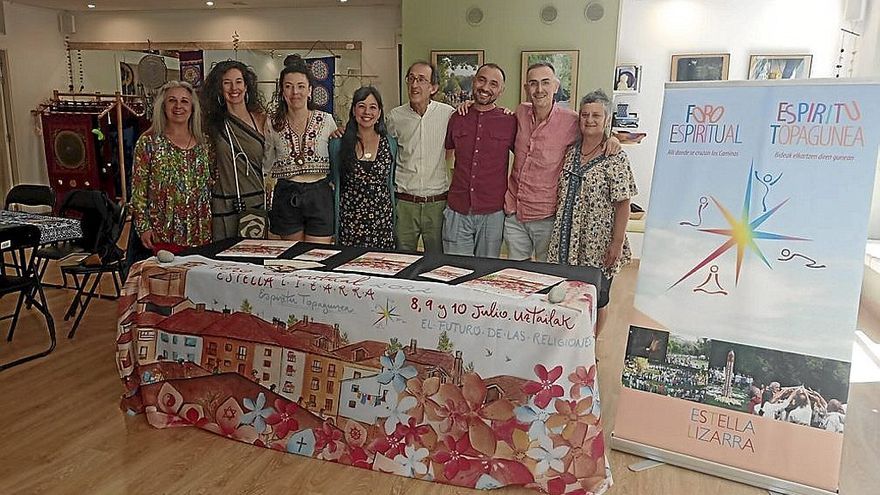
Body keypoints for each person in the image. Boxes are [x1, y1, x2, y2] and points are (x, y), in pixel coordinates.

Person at [504, 63, 621, 262]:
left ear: (556, 87)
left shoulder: (571, 121)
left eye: (545, 83)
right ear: (526, 89)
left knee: (547, 276)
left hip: (547, 217)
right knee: (516, 274)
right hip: (514, 212)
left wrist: (613, 137)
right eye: (533, 84)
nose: (539, 89)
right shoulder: (520, 112)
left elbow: (593, 128)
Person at [547, 89, 637, 335]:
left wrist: (616, 243)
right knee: (565, 292)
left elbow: (623, 203)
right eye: (585, 114)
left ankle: (590, 347)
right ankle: (567, 342)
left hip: (598, 241)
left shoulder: (615, 157)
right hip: (565, 238)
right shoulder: (570, 152)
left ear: (606, 119)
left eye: (596, 115)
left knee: (598, 297)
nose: (589, 120)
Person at [442, 63, 516, 258]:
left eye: (493, 84)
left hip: (492, 213)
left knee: (484, 277)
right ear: (474, 82)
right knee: (454, 273)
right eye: (482, 80)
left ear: (501, 90)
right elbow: (446, 156)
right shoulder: (457, 117)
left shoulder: (510, 121)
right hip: (458, 210)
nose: (485, 87)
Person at [131, 81, 213, 254]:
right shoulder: (148, 142)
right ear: (163, 106)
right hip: (162, 232)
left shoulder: (205, 143)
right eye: (172, 101)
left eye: (184, 101)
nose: (178, 106)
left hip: (200, 231)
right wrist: (143, 226)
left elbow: (213, 181)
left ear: (192, 108)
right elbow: (138, 191)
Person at [263, 55, 336, 243]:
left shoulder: (326, 120)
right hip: (287, 193)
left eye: (301, 86)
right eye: (288, 86)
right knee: (292, 257)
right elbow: (267, 161)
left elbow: (337, 157)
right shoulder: (273, 122)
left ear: (310, 90)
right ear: (282, 91)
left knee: (317, 257)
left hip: (319, 194)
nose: (295, 92)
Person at [386, 61, 456, 252]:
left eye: (422, 80)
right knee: (401, 258)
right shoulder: (395, 117)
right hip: (405, 203)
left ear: (433, 87)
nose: (415, 85)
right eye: (411, 79)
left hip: (437, 203)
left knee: (437, 261)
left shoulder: (448, 114)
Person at [201, 60, 267, 241]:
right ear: (219, 88)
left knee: (252, 261)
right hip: (224, 205)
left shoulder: (261, 120)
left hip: (255, 205)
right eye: (227, 82)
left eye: (238, 81)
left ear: (246, 86)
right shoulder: (211, 124)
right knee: (223, 262)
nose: (233, 88)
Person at [329, 86, 398, 249]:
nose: (367, 112)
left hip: (382, 226)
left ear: (380, 113)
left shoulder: (390, 143)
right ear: (354, 110)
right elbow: (333, 179)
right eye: (361, 106)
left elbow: (392, 180)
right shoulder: (338, 143)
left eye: (373, 107)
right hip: (350, 226)